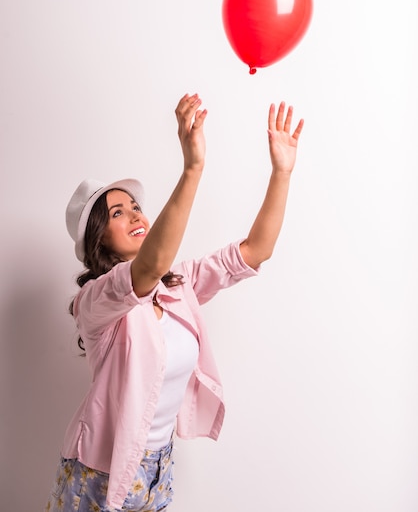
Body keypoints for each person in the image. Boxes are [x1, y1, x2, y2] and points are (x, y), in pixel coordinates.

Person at [45, 93, 304, 512]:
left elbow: (255, 250)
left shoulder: (178, 287)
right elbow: (144, 271)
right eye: (117, 214)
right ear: (97, 237)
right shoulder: (94, 302)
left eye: (136, 207)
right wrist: (193, 168)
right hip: (100, 472)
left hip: (159, 467)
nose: (135, 216)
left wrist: (281, 173)